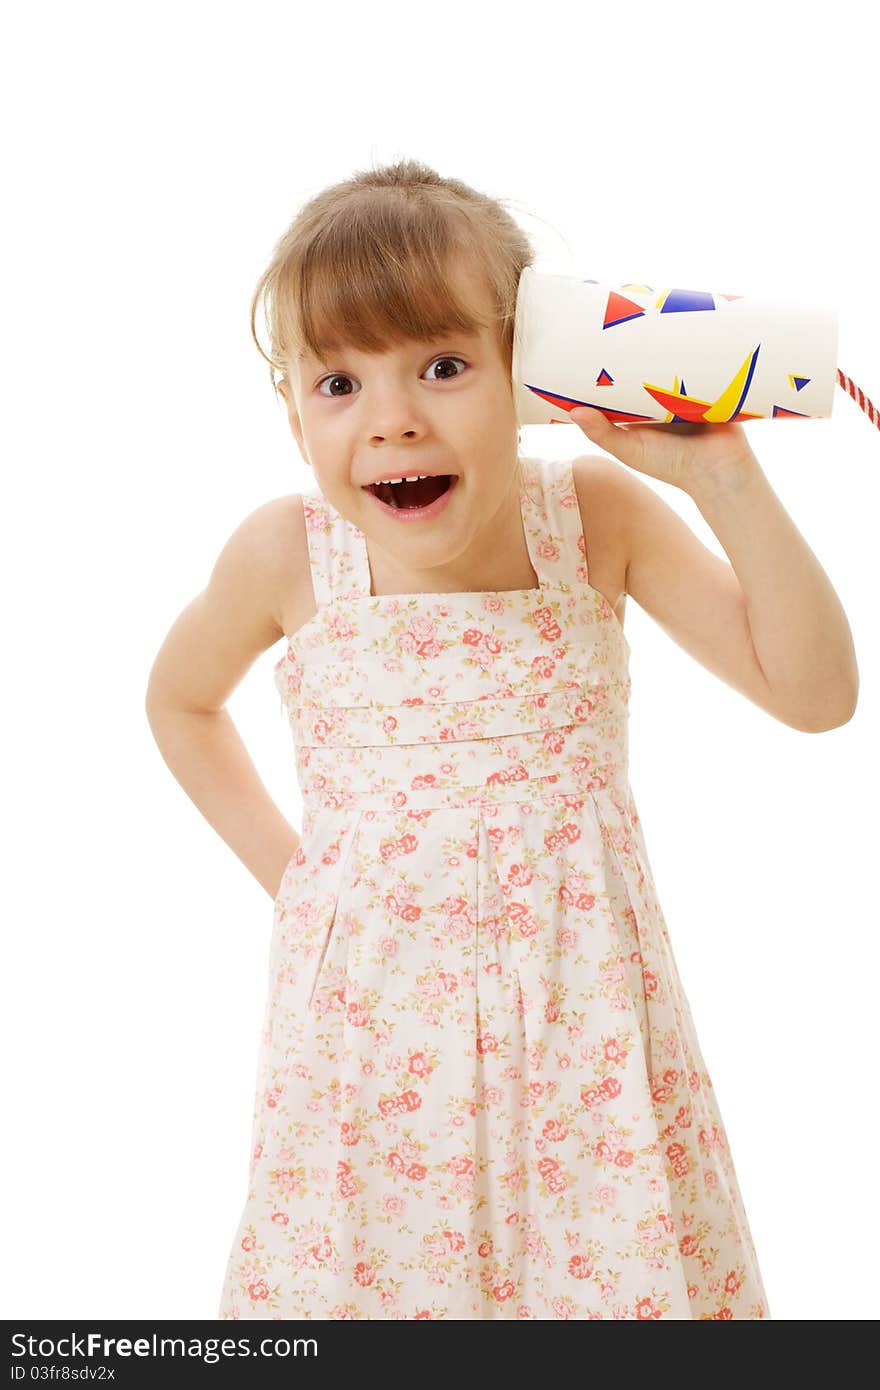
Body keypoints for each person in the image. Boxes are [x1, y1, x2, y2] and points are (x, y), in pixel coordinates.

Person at [145, 158, 858, 1321]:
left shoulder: (593, 520)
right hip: (374, 1044)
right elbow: (178, 702)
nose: (393, 418)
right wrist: (300, 879)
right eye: (337, 382)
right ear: (293, 417)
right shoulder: (287, 556)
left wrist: (719, 475)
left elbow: (817, 692)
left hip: (586, 1035)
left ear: (532, 371)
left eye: (442, 364)